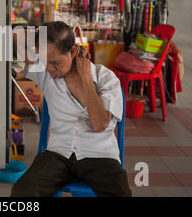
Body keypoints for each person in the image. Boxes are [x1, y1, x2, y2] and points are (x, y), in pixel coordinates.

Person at [11, 21, 132, 197]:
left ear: (73, 52)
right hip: (59, 154)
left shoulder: (106, 78)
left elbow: (99, 124)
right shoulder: (45, 74)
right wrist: (40, 32)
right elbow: (16, 35)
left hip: (100, 156)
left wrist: (86, 78)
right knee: (23, 191)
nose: (50, 69)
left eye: (55, 62)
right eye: (45, 62)